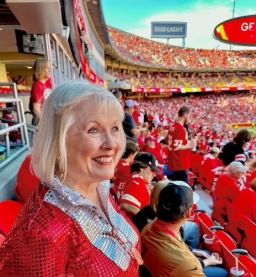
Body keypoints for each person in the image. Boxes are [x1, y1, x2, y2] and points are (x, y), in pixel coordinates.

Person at [0, 80, 141, 275]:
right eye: (94, 129)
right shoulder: (42, 233)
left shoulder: (96, 186)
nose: (111, 143)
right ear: (59, 140)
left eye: (115, 128)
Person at [141, 181, 228, 277]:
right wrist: (202, 262)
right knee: (224, 273)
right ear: (189, 213)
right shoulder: (186, 264)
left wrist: (196, 255)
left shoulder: (149, 227)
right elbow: (183, 264)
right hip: (181, 267)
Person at [120, 152, 158, 217]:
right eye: (152, 170)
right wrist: (146, 221)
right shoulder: (137, 180)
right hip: (130, 224)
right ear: (142, 167)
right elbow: (126, 205)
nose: (154, 175)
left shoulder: (127, 177)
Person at [167, 106, 197, 183]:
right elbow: (176, 147)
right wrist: (190, 145)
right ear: (185, 115)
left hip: (175, 160)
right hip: (180, 162)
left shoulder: (173, 126)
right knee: (183, 187)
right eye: (189, 116)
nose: (189, 118)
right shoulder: (180, 128)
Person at [29, 59, 53, 125]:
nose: (50, 70)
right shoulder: (38, 86)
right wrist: (46, 123)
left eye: (50, 68)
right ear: (40, 70)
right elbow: (36, 109)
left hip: (49, 117)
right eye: (47, 68)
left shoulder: (48, 82)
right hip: (41, 121)